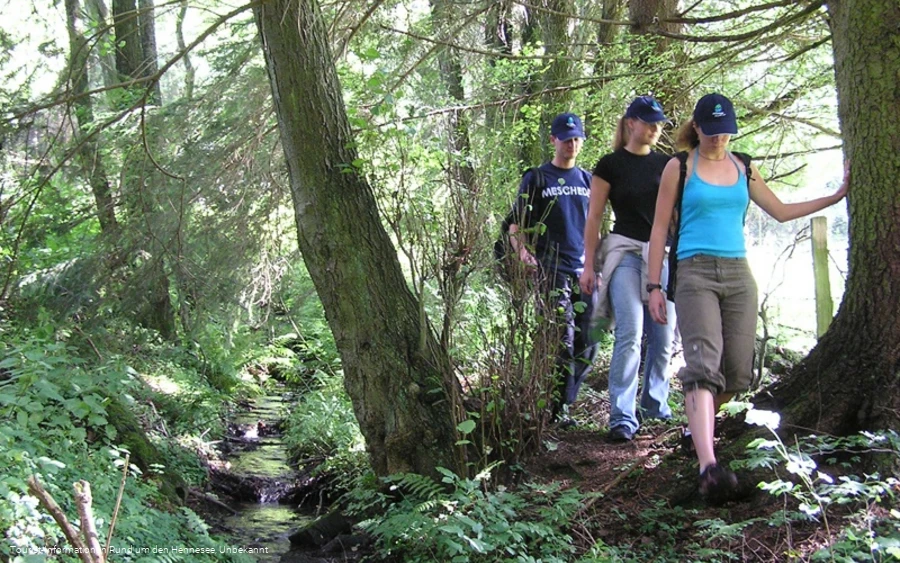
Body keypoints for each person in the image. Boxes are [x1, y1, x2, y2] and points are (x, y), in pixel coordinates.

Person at [645, 93, 850, 501]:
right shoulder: (679, 167)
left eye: (726, 132)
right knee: (703, 364)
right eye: (712, 131)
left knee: (738, 373)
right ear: (697, 128)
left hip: (739, 274)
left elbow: (781, 210)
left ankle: (694, 427)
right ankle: (708, 465)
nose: (719, 139)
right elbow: (658, 228)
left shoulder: (743, 166)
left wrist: (836, 195)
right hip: (694, 269)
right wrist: (653, 286)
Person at [579, 96, 677, 443]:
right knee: (630, 334)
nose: (654, 129)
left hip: (661, 256)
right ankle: (622, 416)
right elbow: (594, 217)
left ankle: (656, 406)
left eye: (658, 124)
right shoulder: (610, 165)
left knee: (663, 337)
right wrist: (589, 265)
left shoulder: (668, 165)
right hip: (624, 253)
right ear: (631, 123)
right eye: (648, 122)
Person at [506, 112, 597, 427]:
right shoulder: (537, 178)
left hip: (585, 270)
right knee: (562, 337)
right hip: (551, 267)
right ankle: (559, 408)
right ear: (553, 140)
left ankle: (567, 398)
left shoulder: (588, 180)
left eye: (576, 139)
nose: (571, 144)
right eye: (566, 138)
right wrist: (524, 254)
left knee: (591, 337)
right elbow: (515, 225)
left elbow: (595, 226)